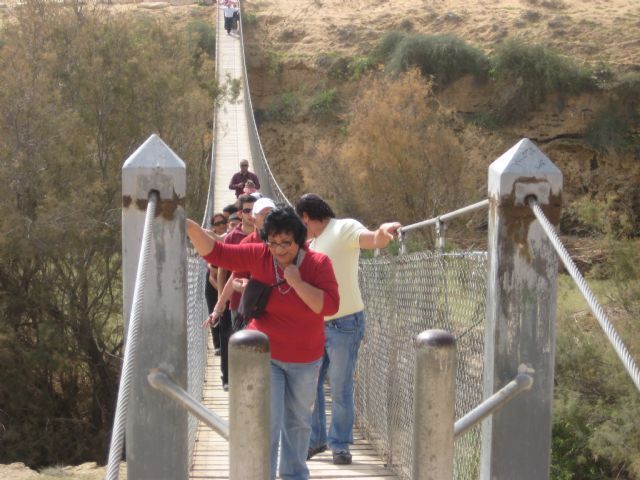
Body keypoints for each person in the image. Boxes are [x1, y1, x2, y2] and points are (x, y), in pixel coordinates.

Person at [187, 206, 340, 480]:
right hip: (266, 355)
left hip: (306, 359)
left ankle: (294, 474)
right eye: (273, 242)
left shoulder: (318, 263)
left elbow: (328, 306)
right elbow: (217, 253)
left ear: (300, 240)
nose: (279, 250)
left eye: (286, 243)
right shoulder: (260, 254)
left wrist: (297, 282)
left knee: (298, 423)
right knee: (267, 422)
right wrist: (187, 226)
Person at [295, 193, 401, 465]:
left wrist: (383, 232)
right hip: (316, 325)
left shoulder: (344, 228)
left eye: (301, 222)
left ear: (306, 217)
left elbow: (371, 239)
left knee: (340, 386)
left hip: (344, 324)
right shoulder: (310, 243)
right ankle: (316, 440)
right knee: (310, 384)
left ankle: (340, 445)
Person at [208, 197, 276, 332]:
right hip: (248, 307)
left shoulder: (286, 239)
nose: (269, 218)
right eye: (264, 214)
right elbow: (235, 276)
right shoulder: (246, 243)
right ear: (254, 219)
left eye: (271, 213)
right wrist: (219, 306)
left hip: (276, 306)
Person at [215, 194, 257, 390]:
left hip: (262, 302)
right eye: (247, 210)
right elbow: (224, 270)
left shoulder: (268, 234)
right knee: (240, 343)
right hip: (238, 301)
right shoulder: (232, 237)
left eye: (254, 210)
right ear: (240, 214)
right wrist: (220, 300)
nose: (251, 214)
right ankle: (237, 383)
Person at [204, 213, 228, 355]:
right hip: (212, 280)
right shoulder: (210, 241)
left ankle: (225, 344)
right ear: (213, 227)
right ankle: (218, 345)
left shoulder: (230, 239)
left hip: (225, 280)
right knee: (214, 311)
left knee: (224, 314)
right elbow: (212, 275)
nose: (222, 225)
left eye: (223, 222)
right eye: (218, 224)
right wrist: (222, 291)